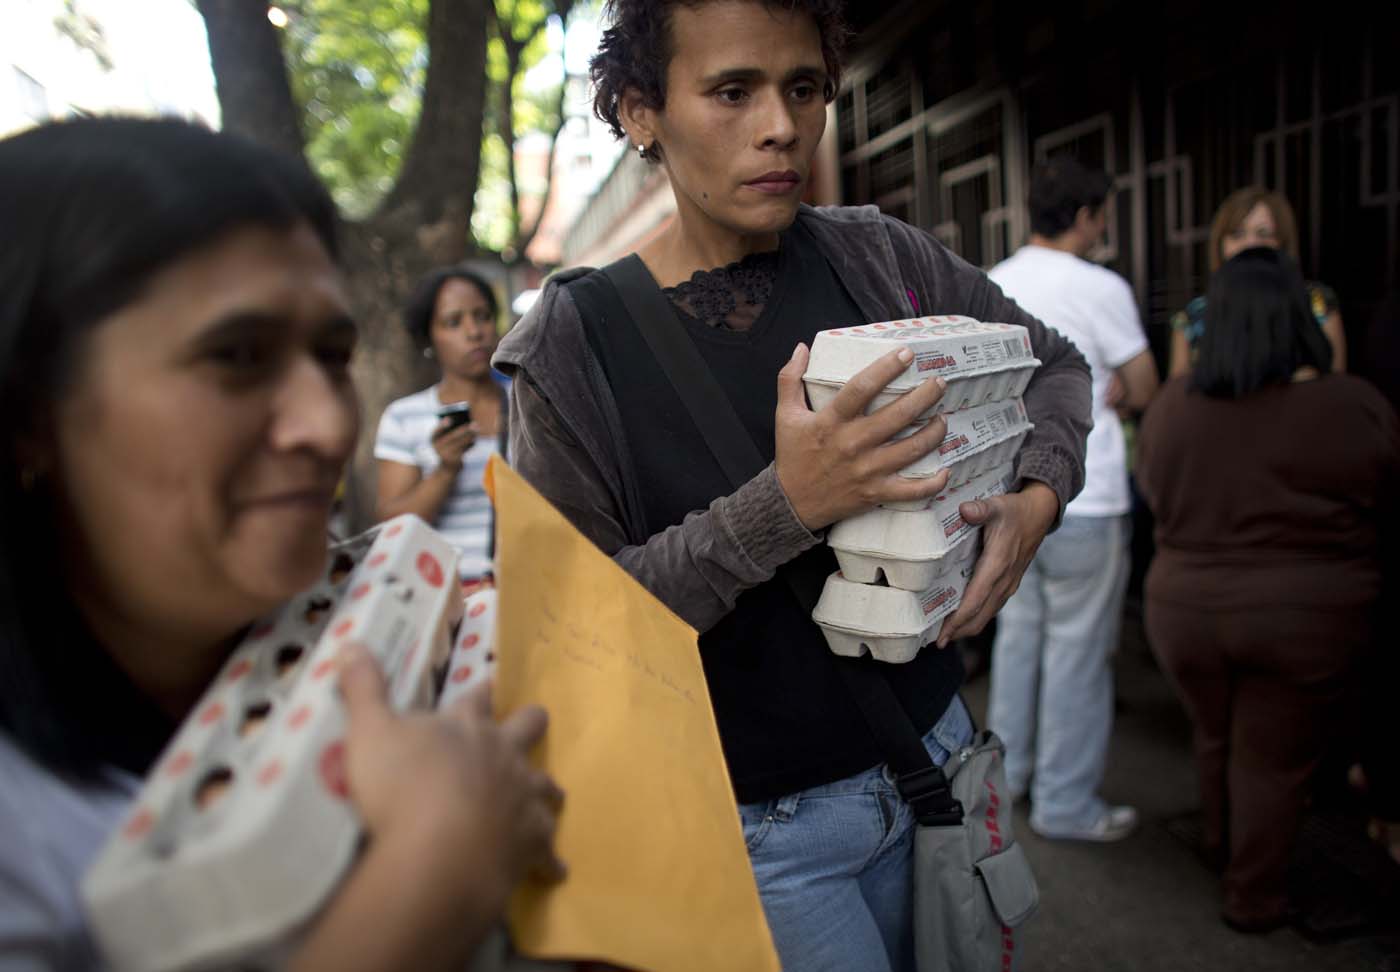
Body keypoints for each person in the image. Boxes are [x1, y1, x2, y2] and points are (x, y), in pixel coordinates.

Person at [492, 2, 1092, 969]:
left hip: (936, 757)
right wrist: (791, 503)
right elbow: (580, 628)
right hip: (759, 831)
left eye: (803, 88)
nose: (782, 126)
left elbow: (1058, 365)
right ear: (642, 111)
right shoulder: (575, 342)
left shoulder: (877, 252)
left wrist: (1037, 499)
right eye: (733, 91)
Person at [0, 117, 563, 971]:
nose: (329, 423)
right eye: (237, 355)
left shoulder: (382, 632)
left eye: (332, 354)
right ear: (28, 419)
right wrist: (429, 882)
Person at [1138, 247, 1398, 932]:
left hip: (1183, 614)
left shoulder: (1171, 411)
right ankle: (1252, 899)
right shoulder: (1350, 406)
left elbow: (1154, 497)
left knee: (1217, 734)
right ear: (1298, 318)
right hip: (1303, 619)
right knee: (1272, 761)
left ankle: (1222, 845)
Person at [985, 156, 1159, 842]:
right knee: (1078, 652)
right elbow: (1144, 384)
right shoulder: (1101, 286)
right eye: (1102, 213)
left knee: (1019, 636)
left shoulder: (995, 280)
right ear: (1087, 215)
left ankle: (1007, 780)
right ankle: (1064, 802)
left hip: (1009, 493)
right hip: (1085, 494)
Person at [375, 266, 509, 588]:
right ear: (428, 339)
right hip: (445, 595)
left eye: (482, 316)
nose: (474, 332)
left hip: (529, 589)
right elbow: (395, 526)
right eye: (453, 322)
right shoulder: (403, 418)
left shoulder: (531, 405)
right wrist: (445, 471)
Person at [1168, 186, 1346, 376]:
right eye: (1237, 235)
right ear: (1221, 245)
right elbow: (1179, 392)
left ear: (1282, 243)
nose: (1250, 245)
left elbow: (1335, 386)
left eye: (1263, 234)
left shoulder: (1317, 303)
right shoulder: (1192, 317)